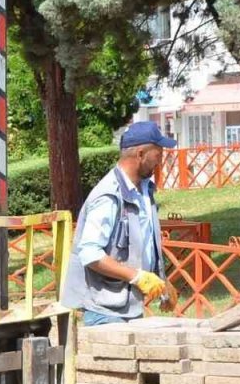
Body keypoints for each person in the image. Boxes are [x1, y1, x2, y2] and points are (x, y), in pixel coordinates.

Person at [61, 121, 176, 326]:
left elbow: (144, 243)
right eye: (158, 154)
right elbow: (90, 253)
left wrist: (160, 280)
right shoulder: (108, 196)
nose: (160, 161)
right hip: (103, 310)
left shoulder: (144, 190)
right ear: (140, 154)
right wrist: (137, 277)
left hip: (128, 307)